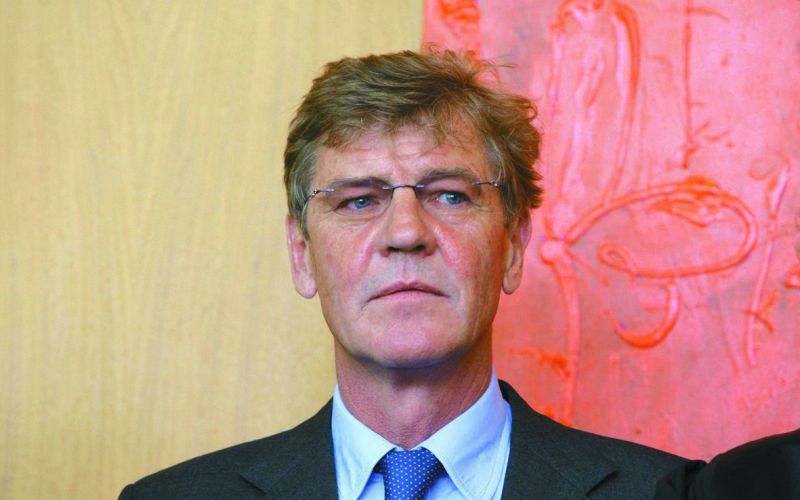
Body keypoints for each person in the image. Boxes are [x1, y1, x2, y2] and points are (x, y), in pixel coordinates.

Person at [119, 49, 685, 499]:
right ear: (302, 253)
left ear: (513, 245)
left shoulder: (667, 492)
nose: (406, 232)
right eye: (359, 201)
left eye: (450, 195)